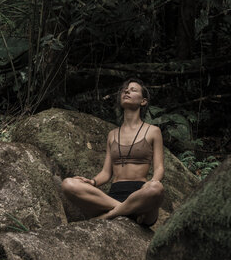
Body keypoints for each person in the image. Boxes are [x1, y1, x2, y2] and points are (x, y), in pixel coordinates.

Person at [61, 78, 165, 227]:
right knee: (68, 184)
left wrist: (152, 182)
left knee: (157, 188)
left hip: (141, 194)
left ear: (143, 101)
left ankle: (111, 214)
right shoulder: (112, 134)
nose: (127, 91)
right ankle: (127, 211)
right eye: (124, 90)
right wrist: (92, 182)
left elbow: (159, 168)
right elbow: (106, 173)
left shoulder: (153, 131)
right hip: (114, 194)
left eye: (133, 90)